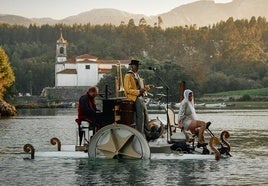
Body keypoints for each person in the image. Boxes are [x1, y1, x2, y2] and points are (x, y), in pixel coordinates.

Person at [124, 59, 154, 139]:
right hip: (135, 97)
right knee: (140, 117)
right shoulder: (128, 75)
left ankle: (148, 134)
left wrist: (147, 87)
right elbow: (127, 89)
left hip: (140, 97)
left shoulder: (137, 75)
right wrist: (138, 91)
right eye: (137, 66)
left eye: (138, 66)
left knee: (145, 115)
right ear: (132, 66)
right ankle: (140, 135)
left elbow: (141, 87)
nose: (138, 68)